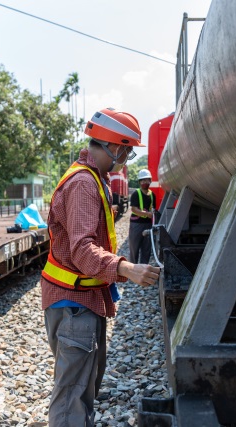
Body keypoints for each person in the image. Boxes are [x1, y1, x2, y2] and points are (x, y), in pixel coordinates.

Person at [40, 107, 161, 427]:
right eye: (129, 150)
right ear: (116, 146)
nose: (128, 157)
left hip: (81, 300)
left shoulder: (92, 177)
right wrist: (126, 268)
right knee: (72, 395)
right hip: (73, 305)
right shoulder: (83, 184)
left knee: (85, 383)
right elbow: (81, 250)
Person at [129, 169, 157, 264]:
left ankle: (143, 268)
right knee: (134, 248)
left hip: (148, 225)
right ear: (140, 182)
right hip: (136, 225)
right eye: (143, 180)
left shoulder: (153, 195)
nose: (145, 182)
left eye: (147, 180)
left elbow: (153, 209)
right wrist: (146, 214)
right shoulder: (136, 194)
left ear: (150, 181)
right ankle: (133, 269)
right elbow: (133, 209)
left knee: (146, 249)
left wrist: (152, 213)